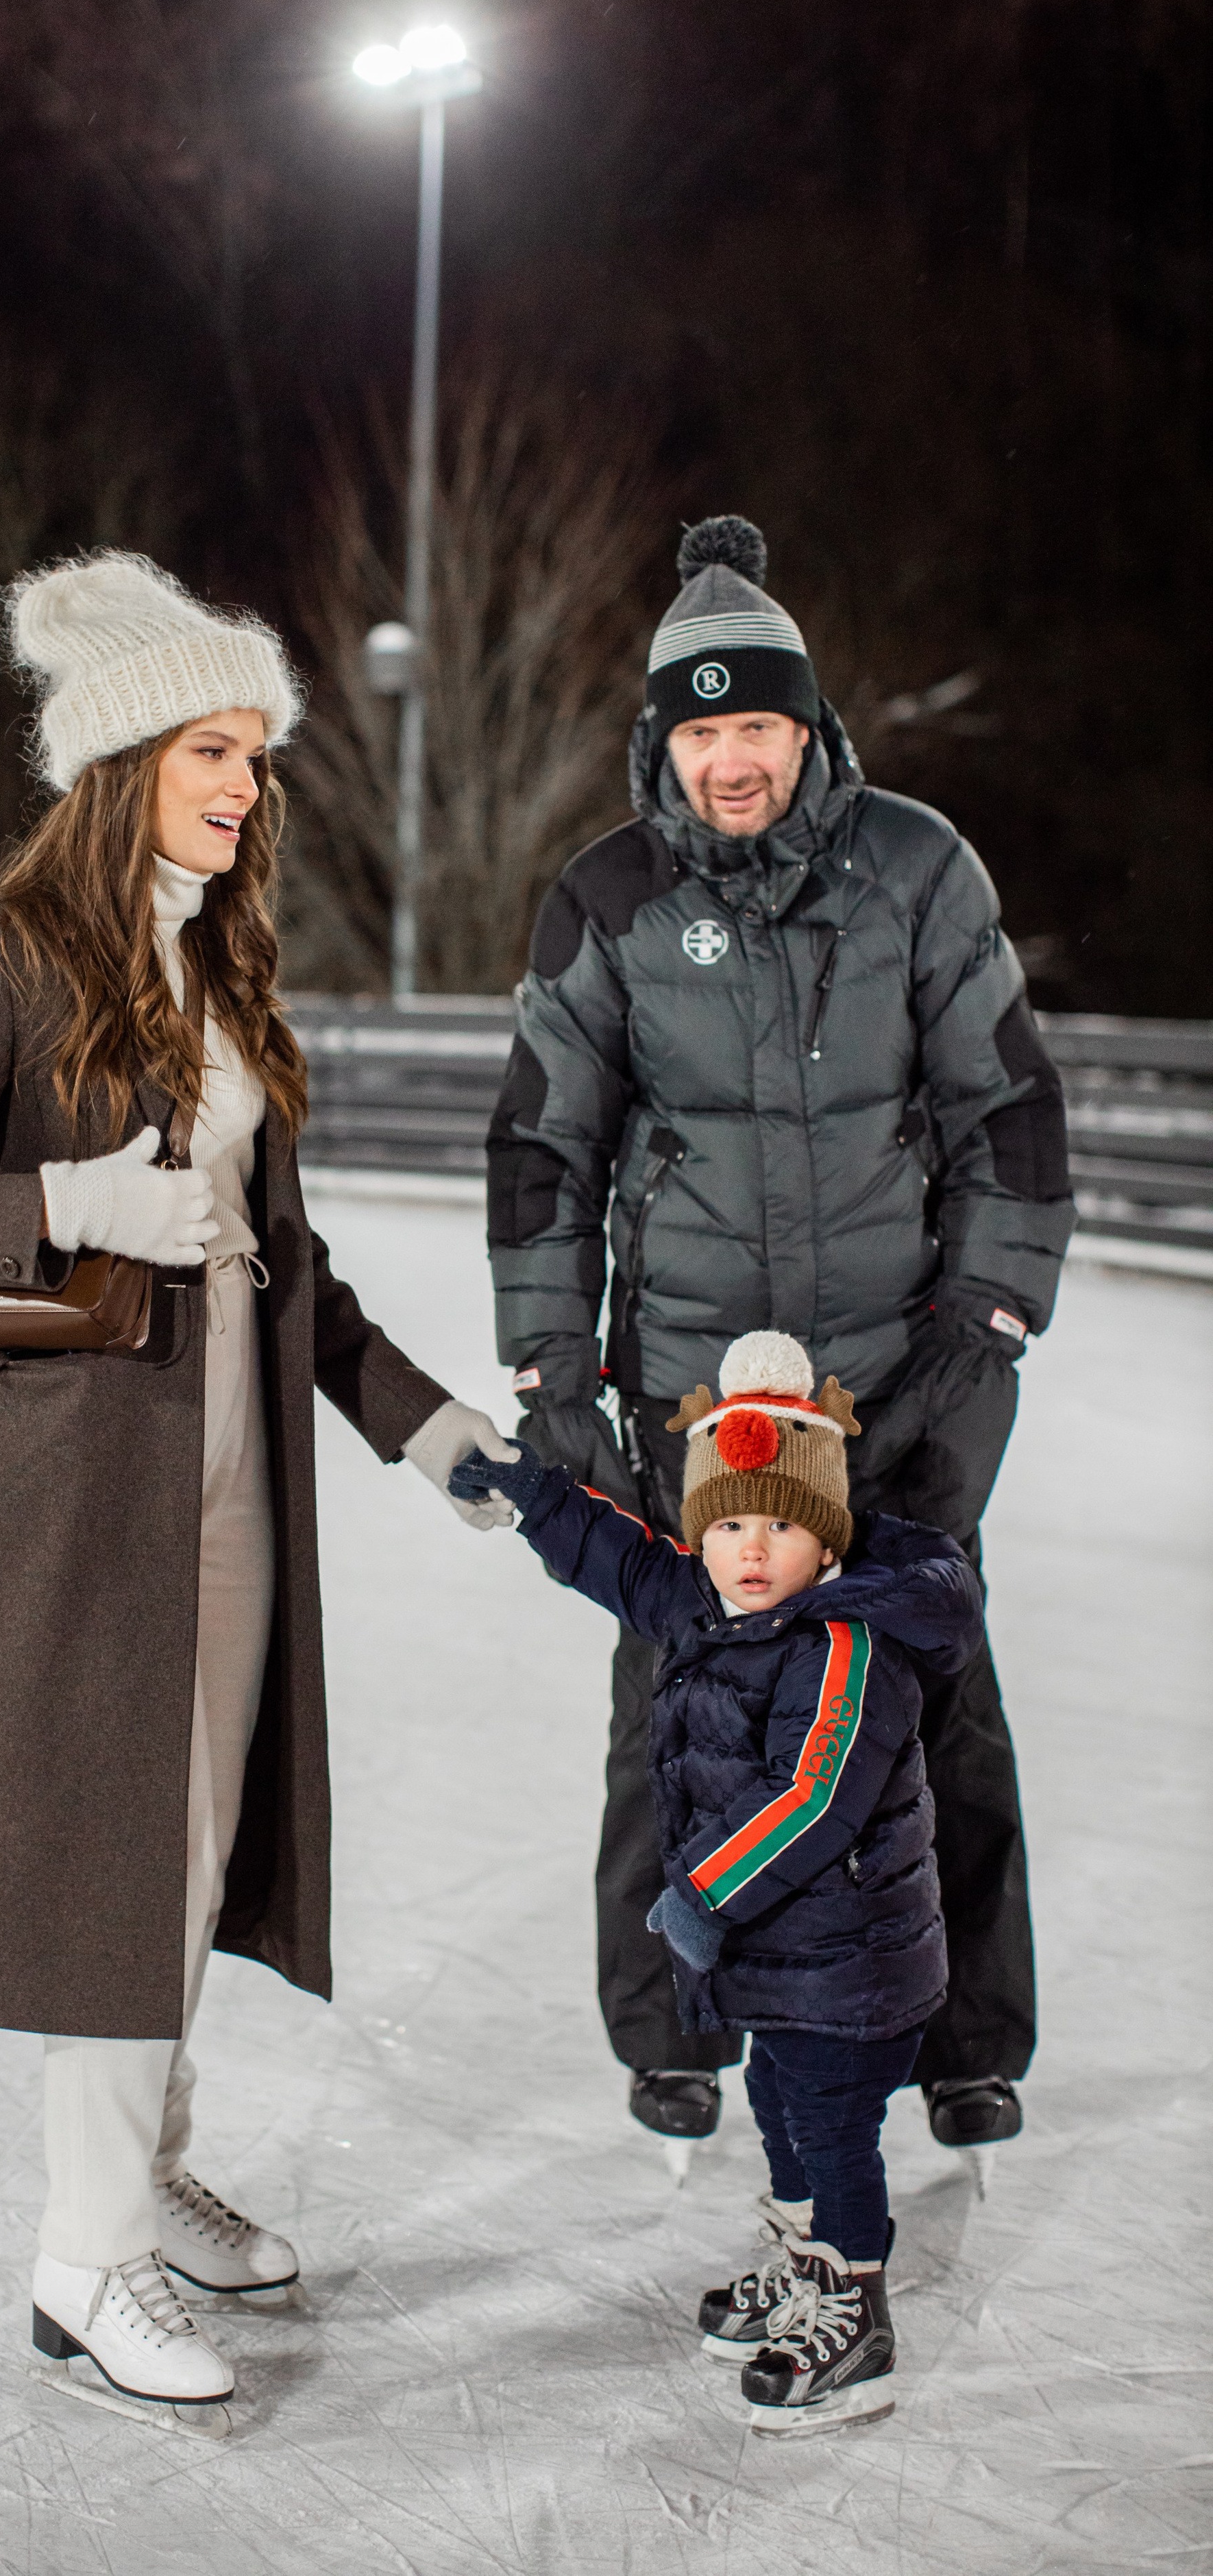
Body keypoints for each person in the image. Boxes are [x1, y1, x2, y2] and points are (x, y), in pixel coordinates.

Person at [0, 552, 515, 2433]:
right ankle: (82, 2259)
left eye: (258, 756)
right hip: (68, 1511)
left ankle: (144, 2178)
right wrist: (69, 1205)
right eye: (214, 748)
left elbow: (286, 1268)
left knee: (187, 1856)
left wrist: (424, 1422)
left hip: (225, 1491)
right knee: (110, 1869)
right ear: (127, 758)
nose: (245, 784)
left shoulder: (214, 975)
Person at [486, 514, 1073, 2162]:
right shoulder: (603, 899)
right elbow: (543, 1150)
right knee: (681, 1698)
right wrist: (551, 1376)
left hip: (892, 1376)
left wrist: (988, 1328)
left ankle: (965, 2038)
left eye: (756, 725)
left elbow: (1003, 1114)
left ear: (808, 730)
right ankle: (675, 2027)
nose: (729, 760)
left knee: (931, 1694)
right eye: (699, 727)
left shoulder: (915, 869)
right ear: (656, 742)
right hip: (695, 1406)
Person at [450, 1329, 983, 2435]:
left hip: (850, 1965)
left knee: (833, 2133)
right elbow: (622, 1559)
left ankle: (855, 2308)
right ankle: (801, 2266)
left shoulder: (847, 1644)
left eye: (781, 1525)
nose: (750, 1549)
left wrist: (701, 1894)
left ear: (825, 1537)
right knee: (783, 2112)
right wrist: (534, 1496)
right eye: (730, 1522)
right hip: (782, 1963)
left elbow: (815, 1794)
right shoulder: (706, 1599)